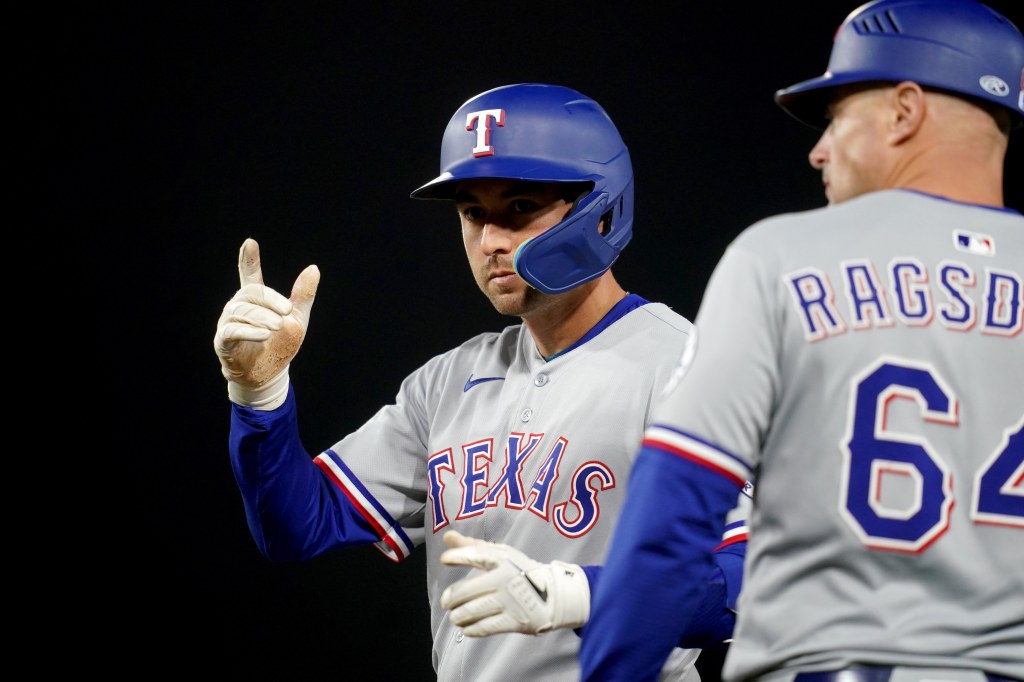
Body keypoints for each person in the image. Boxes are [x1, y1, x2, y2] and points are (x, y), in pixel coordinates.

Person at [213, 82, 748, 681]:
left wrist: (580, 595)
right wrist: (258, 394)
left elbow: (754, 577)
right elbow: (297, 526)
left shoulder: (684, 364)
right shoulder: (448, 381)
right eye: (474, 213)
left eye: (520, 207)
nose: (492, 240)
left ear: (600, 210)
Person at [580, 1, 1024, 681]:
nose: (818, 148)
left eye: (839, 114)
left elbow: (671, 523)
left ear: (906, 110)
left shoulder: (783, 255)